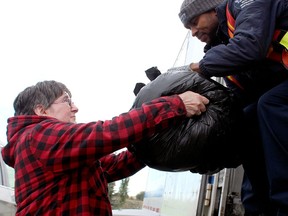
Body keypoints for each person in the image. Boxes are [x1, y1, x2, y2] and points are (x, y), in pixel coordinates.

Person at [1, 80, 209, 215]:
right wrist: (173, 105)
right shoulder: (37, 135)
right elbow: (105, 134)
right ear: (41, 110)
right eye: (66, 101)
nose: (75, 107)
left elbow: (114, 165)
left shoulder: (53, 150)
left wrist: (160, 135)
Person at [178, 0, 288, 215]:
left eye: (194, 22)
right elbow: (239, 100)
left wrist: (198, 68)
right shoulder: (221, 48)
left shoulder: (246, 4)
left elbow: (250, 46)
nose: (192, 32)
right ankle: (259, 209)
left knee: (270, 104)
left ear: (210, 9)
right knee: (246, 119)